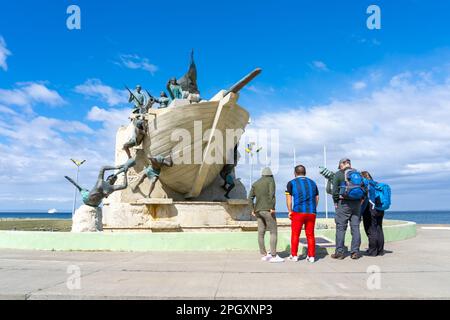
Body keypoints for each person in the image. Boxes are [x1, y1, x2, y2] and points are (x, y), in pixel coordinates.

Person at [331, 158, 365, 260]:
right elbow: (364, 188)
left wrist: (336, 201)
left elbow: (334, 191)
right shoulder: (357, 173)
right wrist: (361, 200)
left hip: (344, 203)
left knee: (341, 228)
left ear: (342, 164)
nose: (340, 167)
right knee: (355, 228)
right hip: (357, 203)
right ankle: (355, 252)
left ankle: (340, 252)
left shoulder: (339, 174)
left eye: (340, 165)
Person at [65, 159, 136, 208]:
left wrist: (125, 173)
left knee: (83, 190)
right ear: (107, 178)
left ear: (114, 182)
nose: (112, 178)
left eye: (114, 178)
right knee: (82, 190)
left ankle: (83, 190)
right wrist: (117, 167)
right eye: (112, 176)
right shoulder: (101, 180)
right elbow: (103, 168)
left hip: (96, 204)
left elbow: (124, 186)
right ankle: (79, 187)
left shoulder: (112, 188)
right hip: (88, 199)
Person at [248, 167, 284, 263]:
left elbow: (250, 197)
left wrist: (252, 209)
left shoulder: (255, 183)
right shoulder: (270, 180)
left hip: (258, 211)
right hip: (268, 210)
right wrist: (272, 207)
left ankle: (264, 254)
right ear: (271, 174)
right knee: (273, 232)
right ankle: (273, 255)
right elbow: (271, 194)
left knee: (261, 232)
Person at [285, 165, 319, 263]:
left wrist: (290, 211)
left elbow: (289, 199)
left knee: (295, 234)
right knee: (310, 235)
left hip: (298, 212)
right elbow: (317, 198)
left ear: (295, 173)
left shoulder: (291, 183)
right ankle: (311, 256)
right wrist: (313, 209)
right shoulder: (313, 183)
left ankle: (294, 255)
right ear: (305, 172)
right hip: (311, 212)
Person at [361, 171, 385, 256]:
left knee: (371, 229)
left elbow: (363, 198)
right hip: (380, 209)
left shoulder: (365, 185)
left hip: (370, 208)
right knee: (379, 228)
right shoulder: (376, 184)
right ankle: (380, 250)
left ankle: (373, 251)